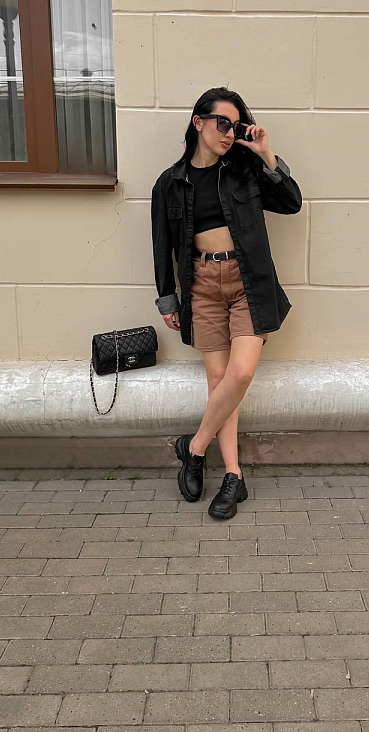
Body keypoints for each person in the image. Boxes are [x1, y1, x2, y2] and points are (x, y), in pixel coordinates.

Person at [151, 86, 302, 520]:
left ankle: (194, 448)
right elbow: (162, 246)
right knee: (219, 380)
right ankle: (234, 475)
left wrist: (266, 154)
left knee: (240, 373)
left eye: (234, 126)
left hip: (247, 281)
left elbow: (291, 202)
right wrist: (168, 298)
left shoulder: (245, 171)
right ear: (198, 122)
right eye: (221, 123)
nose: (228, 133)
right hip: (201, 286)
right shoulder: (169, 183)